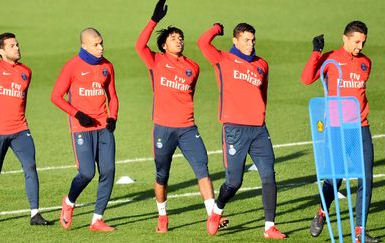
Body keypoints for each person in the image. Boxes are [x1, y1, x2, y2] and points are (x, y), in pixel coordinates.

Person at [135, 0, 228, 234]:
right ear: (164, 45)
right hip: (163, 129)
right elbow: (139, 46)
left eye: (180, 37)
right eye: (174, 38)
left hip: (187, 128)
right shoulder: (155, 61)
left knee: (202, 168)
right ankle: (163, 216)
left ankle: (212, 216)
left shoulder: (193, 67)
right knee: (162, 175)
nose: (179, 40)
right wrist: (154, 20)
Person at [197, 22, 287, 239]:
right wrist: (215, 29)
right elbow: (202, 43)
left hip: (258, 130)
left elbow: (262, 94)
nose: (250, 44)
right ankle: (217, 211)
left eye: (253, 40)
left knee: (268, 175)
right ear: (235, 41)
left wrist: (260, 116)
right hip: (234, 130)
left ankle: (269, 226)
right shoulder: (222, 59)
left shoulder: (262, 65)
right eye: (246, 40)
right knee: (234, 182)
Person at [301, 21, 380, 243]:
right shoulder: (330, 58)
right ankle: (322, 212)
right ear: (345, 38)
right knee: (335, 178)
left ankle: (359, 231)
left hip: (361, 127)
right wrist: (316, 53)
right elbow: (306, 79)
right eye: (356, 41)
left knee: (366, 178)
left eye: (363, 42)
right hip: (336, 127)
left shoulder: (366, 63)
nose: (360, 46)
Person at [0, 19, 52, 226]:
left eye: (17, 44)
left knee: (30, 166)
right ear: (1, 51)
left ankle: (35, 213)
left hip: (20, 129)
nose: (17, 47)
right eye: (12, 45)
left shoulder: (26, 72)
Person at [51, 27, 118, 232]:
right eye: (96, 44)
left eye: (101, 43)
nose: (101, 47)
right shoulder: (72, 66)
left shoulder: (107, 66)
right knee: (87, 173)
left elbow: (112, 96)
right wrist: (78, 114)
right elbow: (56, 96)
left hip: (103, 127)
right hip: (81, 128)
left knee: (108, 171)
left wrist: (113, 117)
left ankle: (97, 219)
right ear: (84, 46)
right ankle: (69, 203)